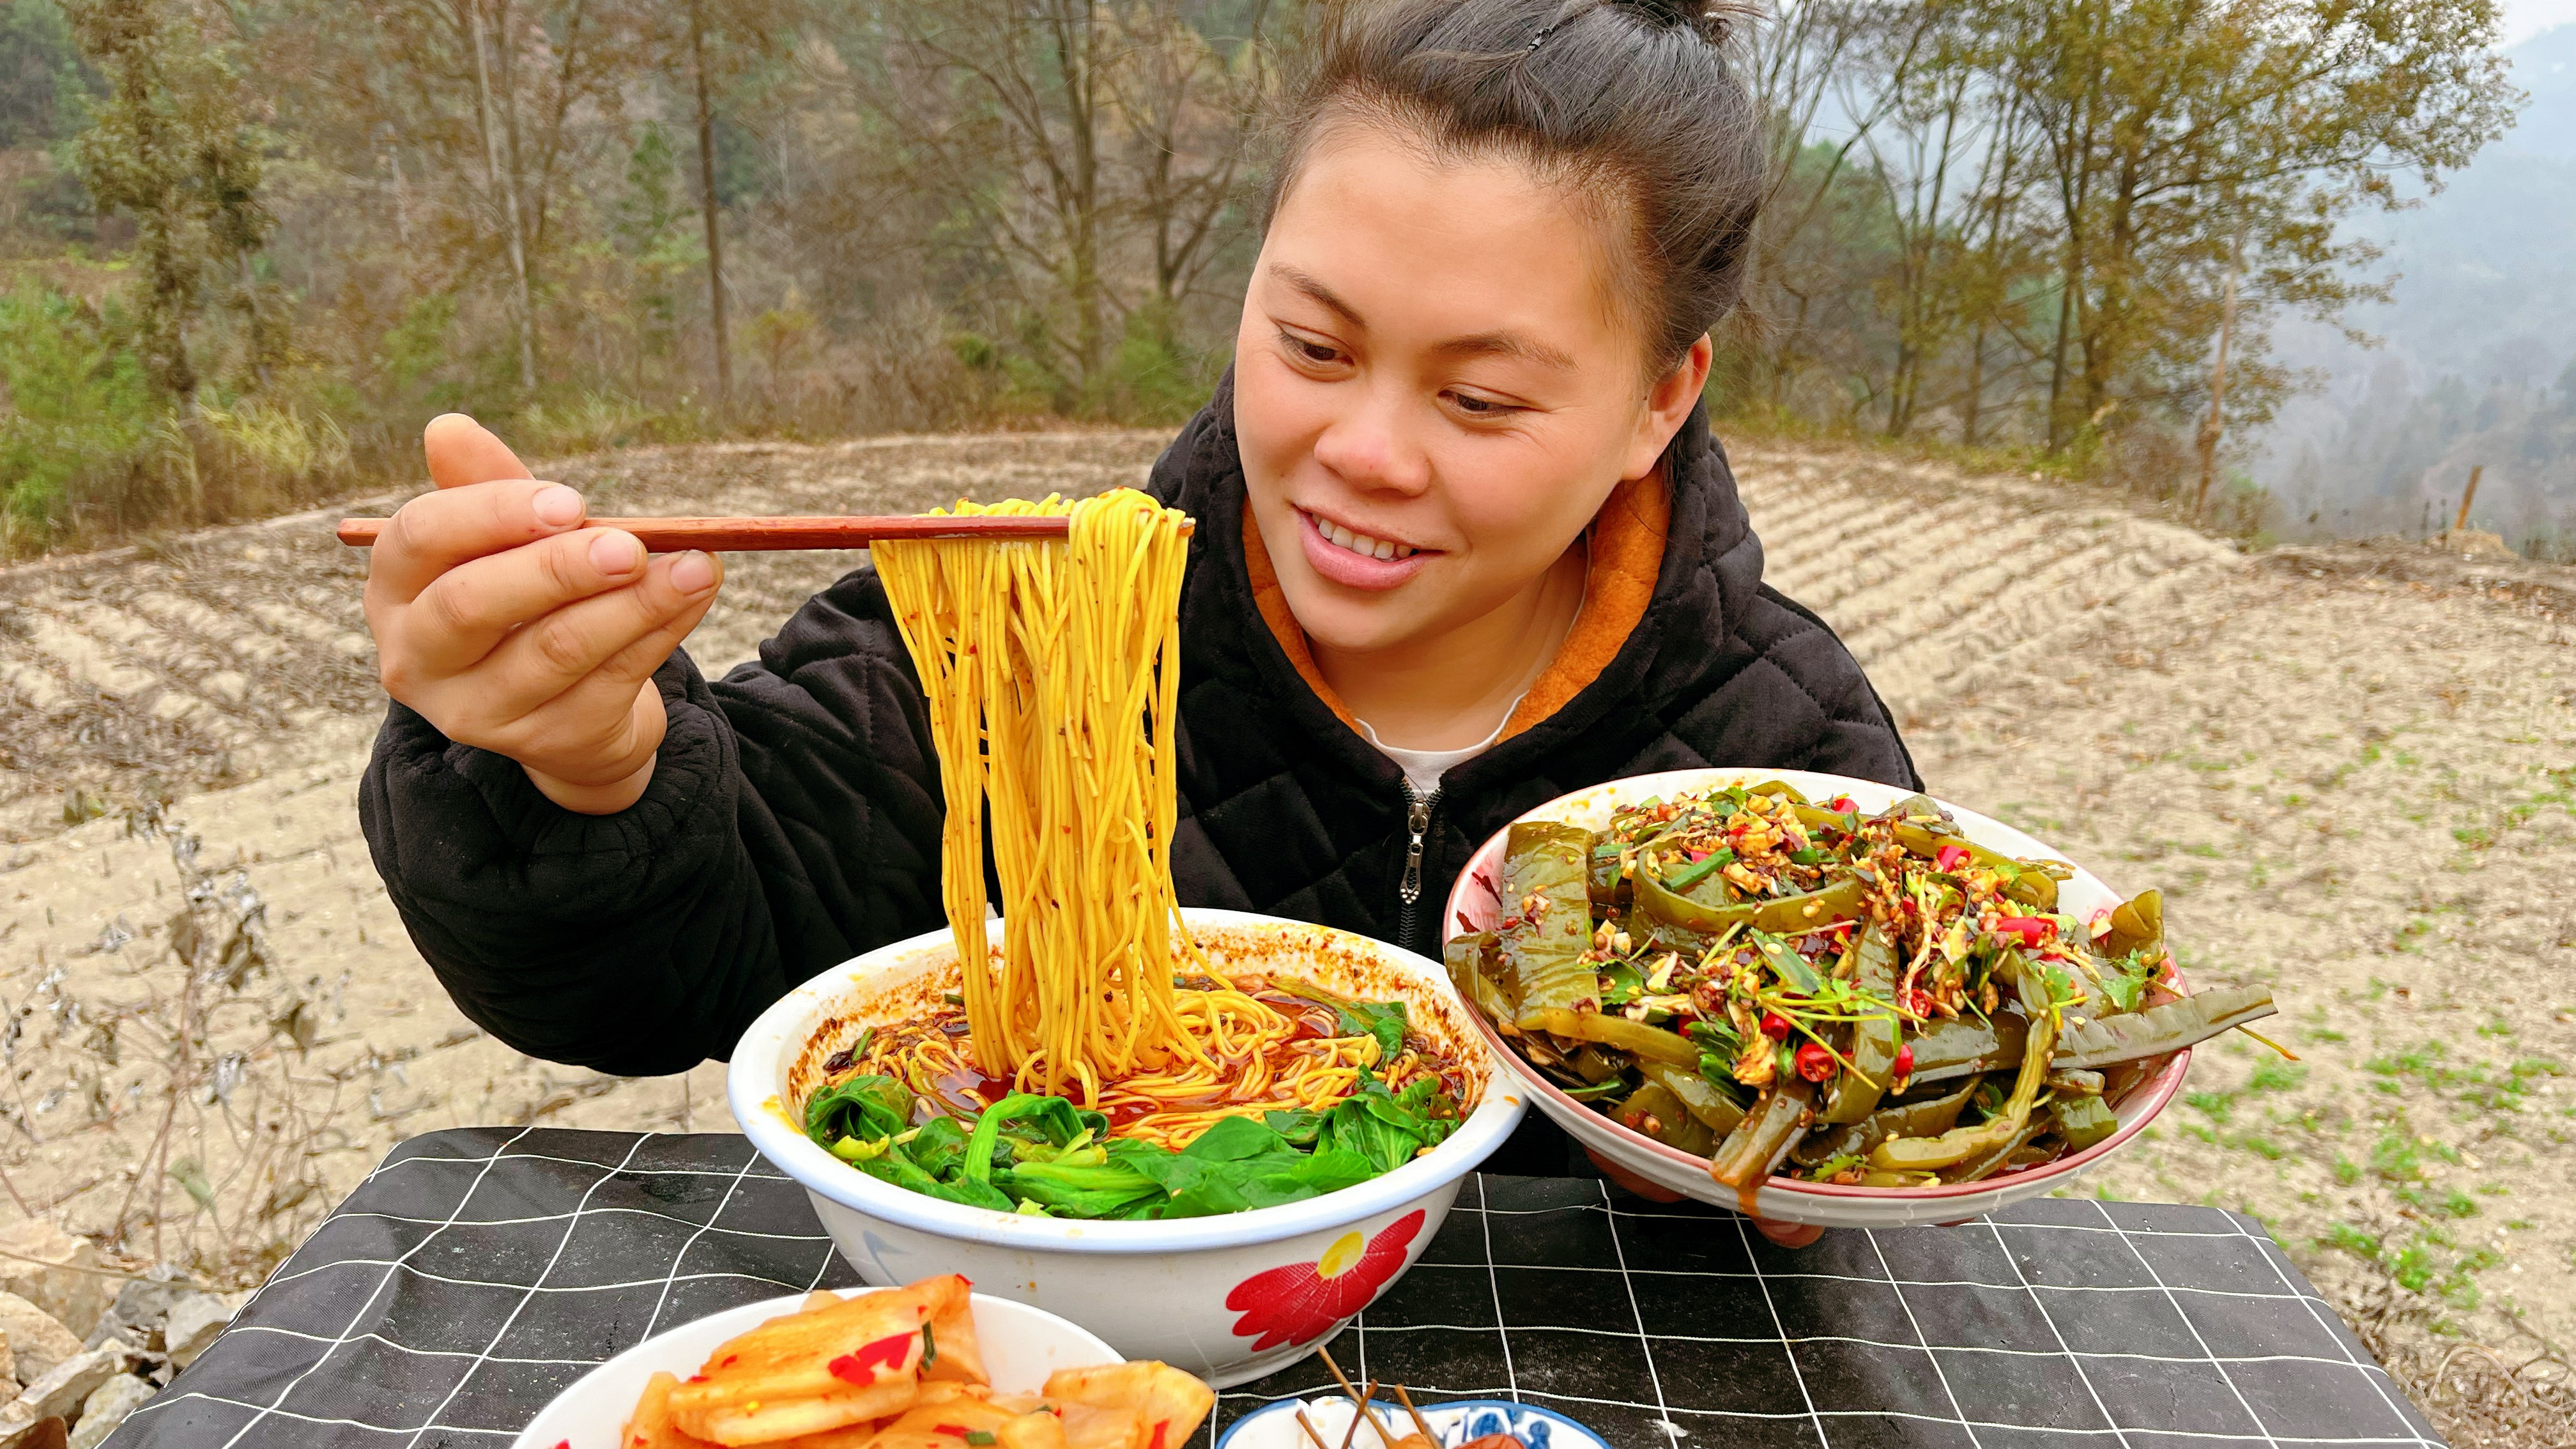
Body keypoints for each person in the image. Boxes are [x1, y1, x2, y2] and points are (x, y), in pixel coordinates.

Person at [356, 0, 1919, 1194]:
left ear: (1660, 398)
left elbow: (1891, 1167)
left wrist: (1803, 1160)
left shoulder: (1785, 759)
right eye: (1312, 347)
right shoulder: (1020, 637)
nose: (1362, 453)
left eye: (1480, 400)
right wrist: (581, 765)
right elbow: (664, 967)